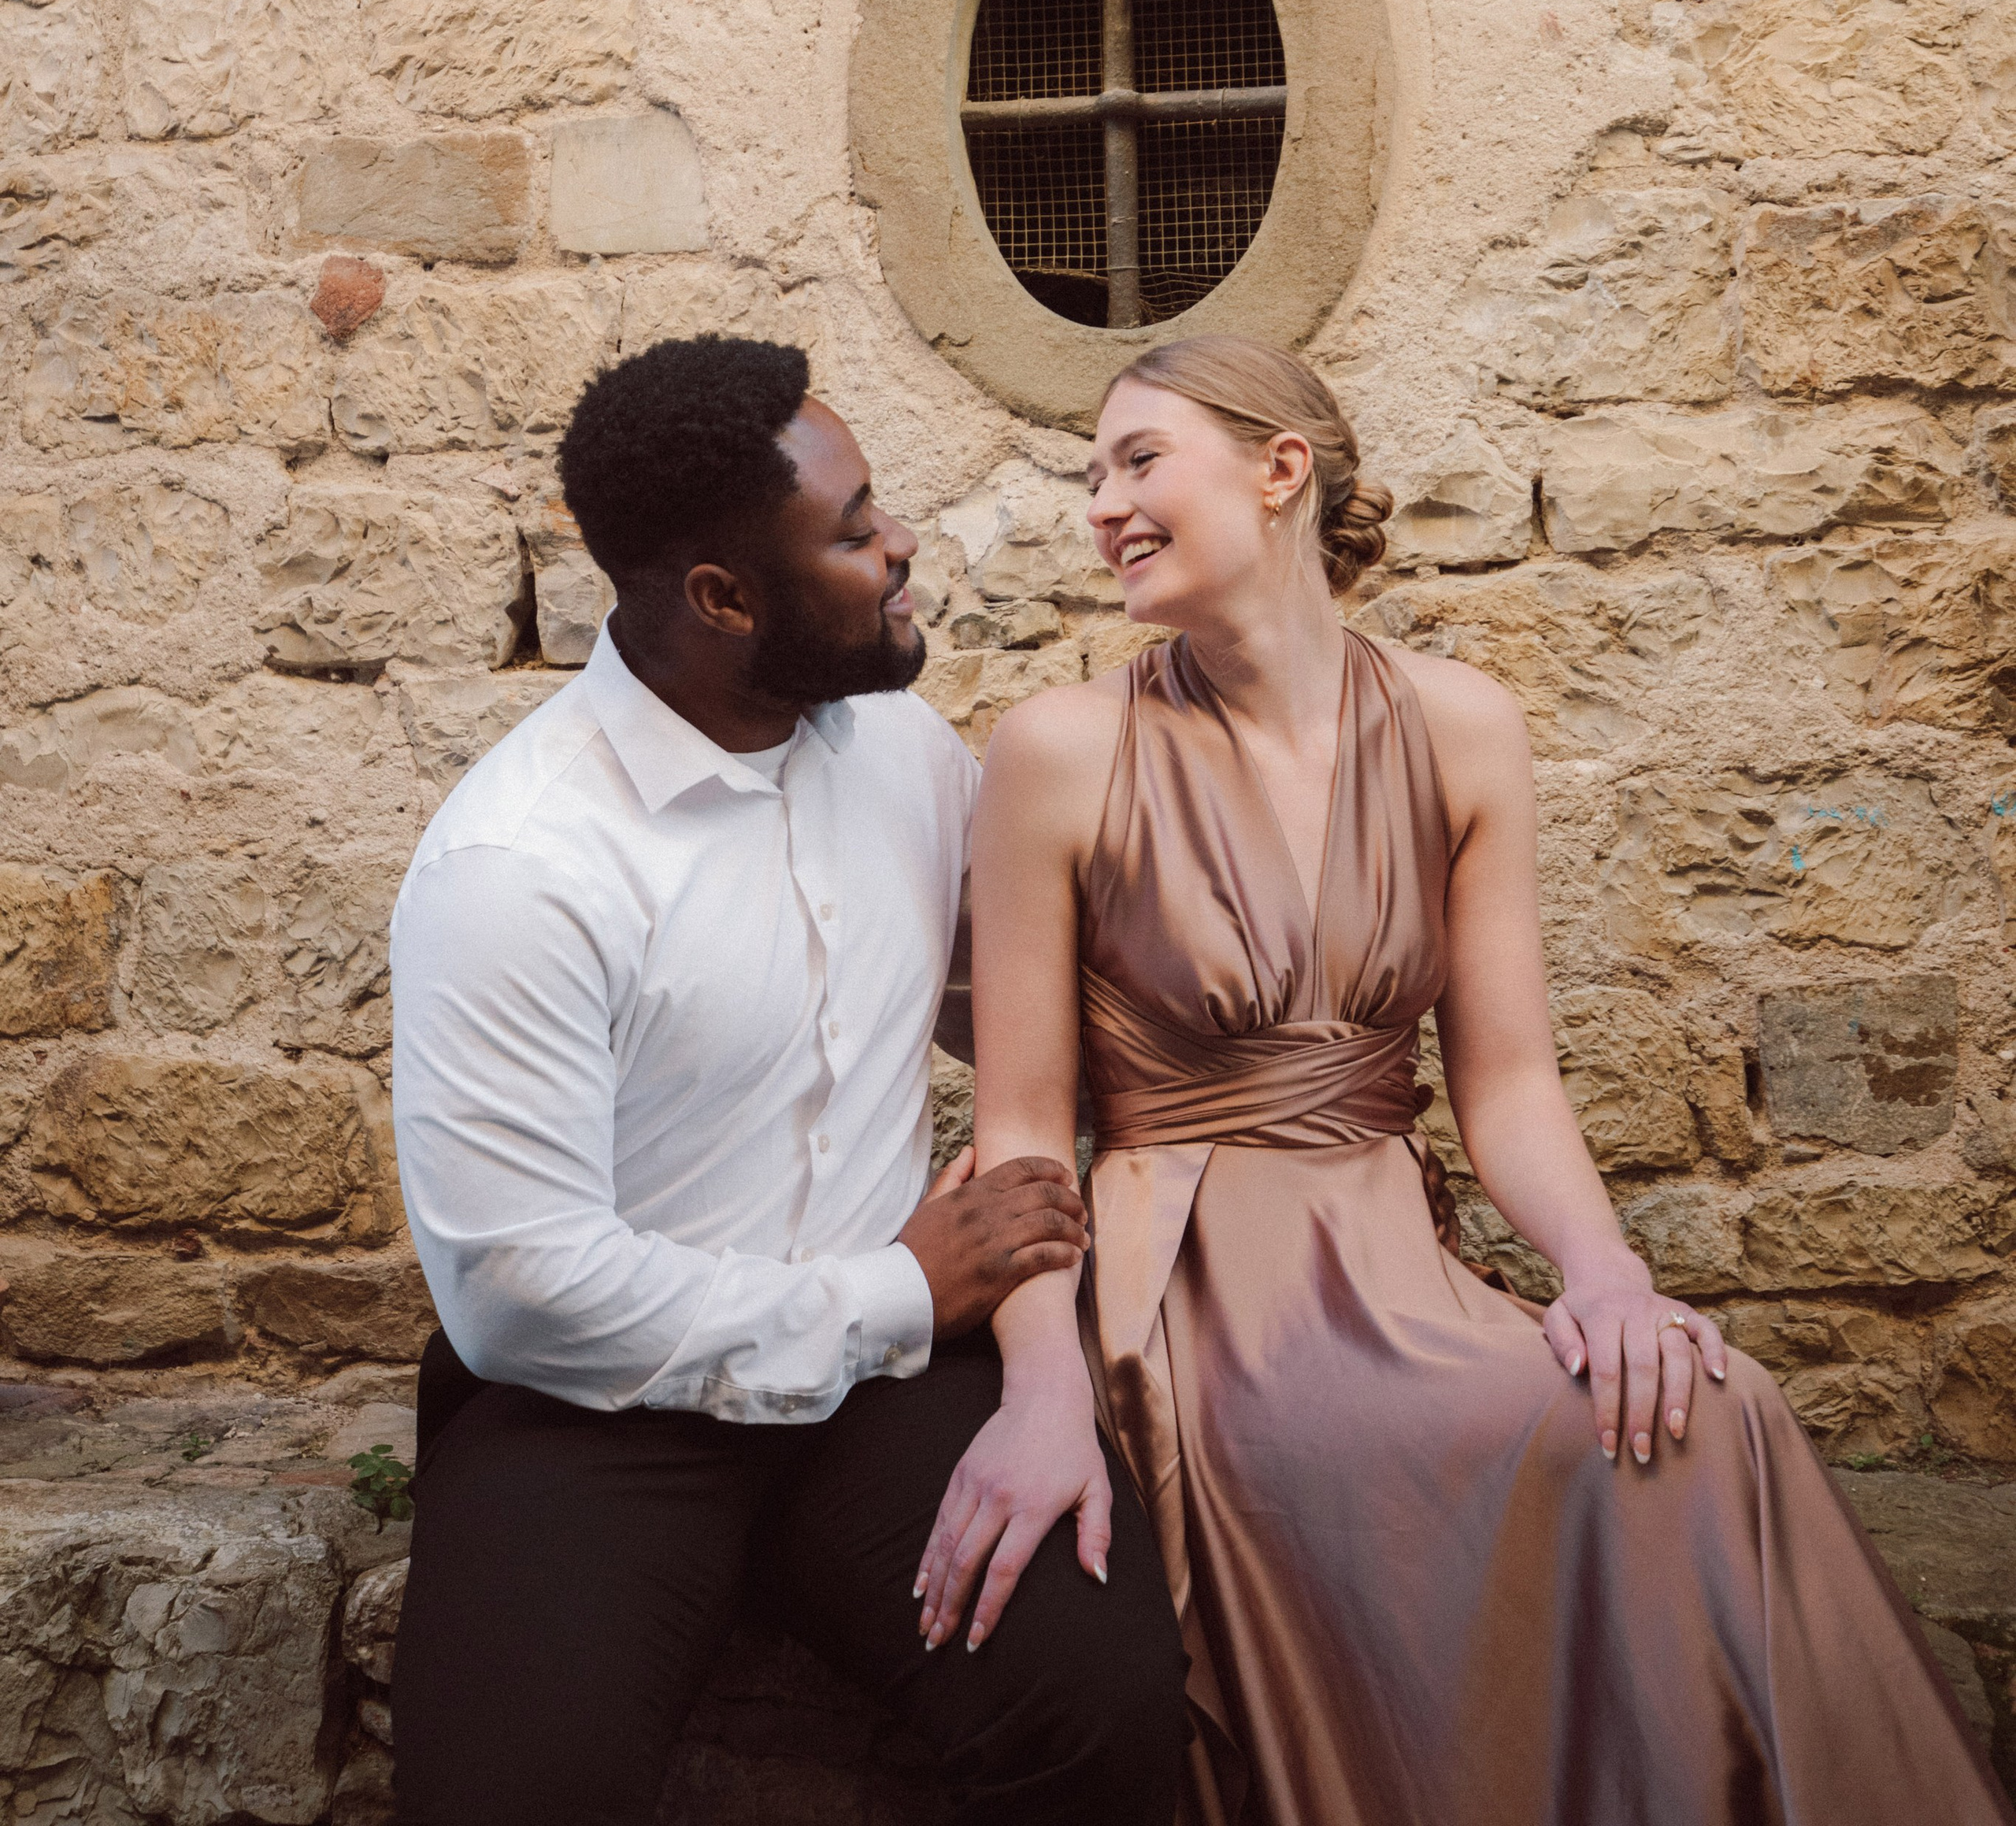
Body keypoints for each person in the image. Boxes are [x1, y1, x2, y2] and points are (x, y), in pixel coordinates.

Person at [914, 333, 2012, 1826]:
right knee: (1379, 1456)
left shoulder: (1461, 726)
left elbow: (1510, 1089)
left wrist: (1605, 1272)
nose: (1101, 505)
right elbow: (1028, 1132)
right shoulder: (1059, 749)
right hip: (1191, 1293)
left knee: (1709, 1407)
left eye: (1138, 460)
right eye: (1092, 473)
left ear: (1280, 470)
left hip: (1395, 1258)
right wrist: (1041, 1394)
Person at [388, 334, 1186, 1826]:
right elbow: (521, 1289)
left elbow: (1006, 1010)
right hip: (597, 1412)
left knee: (1108, 1708)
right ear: (723, 599)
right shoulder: (518, 869)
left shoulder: (903, 749)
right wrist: (894, 1292)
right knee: (508, 1797)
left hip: (885, 1402)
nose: (901, 548)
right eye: (854, 529)